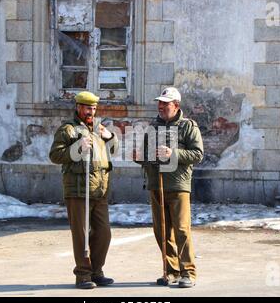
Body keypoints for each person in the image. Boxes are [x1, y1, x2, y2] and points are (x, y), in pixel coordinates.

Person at [135, 87, 204, 288]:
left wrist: (173, 153)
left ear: (176, 105)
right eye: (160, 103)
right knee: (162, 231)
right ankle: (171, 271)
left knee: (181, 230)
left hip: (178, 185)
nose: (161, 107)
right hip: (156, 184)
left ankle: (188, 272)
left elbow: (197, 154)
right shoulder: (152, 127)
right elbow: (145, 154)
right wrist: (140, 158)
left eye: (165, 103)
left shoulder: (188, 127)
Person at [49, 91, 119, 290]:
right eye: (88, 108)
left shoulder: (99, 128)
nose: (91, 111)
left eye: (94, 108)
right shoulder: (68, 129)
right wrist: (77, 147)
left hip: (99, 190)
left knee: (104, 233)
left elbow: (113, 150)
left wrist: (110, 137)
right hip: (78, 189)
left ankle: (96, 271)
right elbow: (55, 155)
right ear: (78, 107)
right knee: (81, 235)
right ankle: (83, 275)